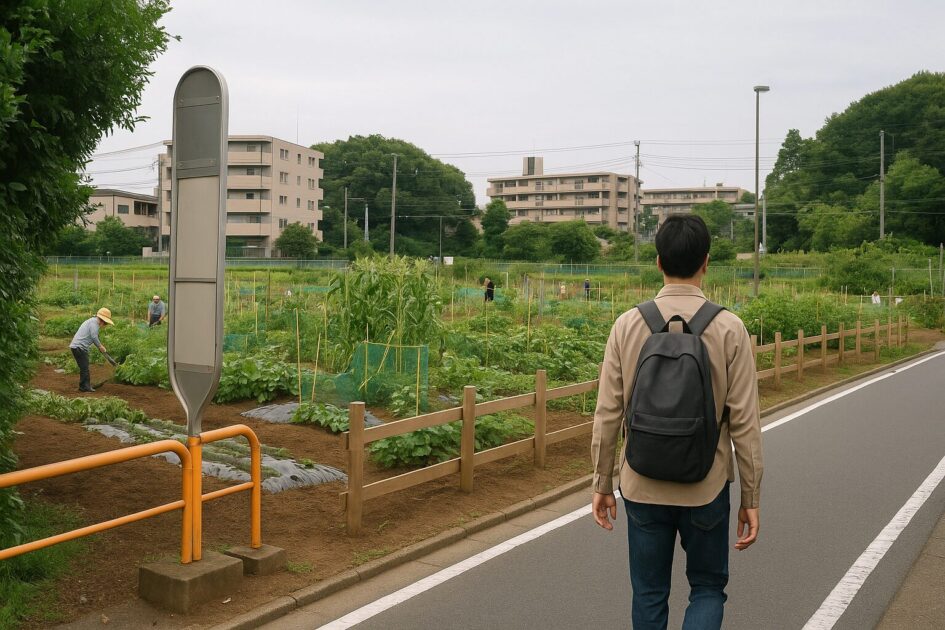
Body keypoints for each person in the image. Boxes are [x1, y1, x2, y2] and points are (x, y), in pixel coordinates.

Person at [591, 214, 763, 629]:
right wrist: (751, 498)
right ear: (706, 262)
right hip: (705, 487)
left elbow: (608, 414)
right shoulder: (730, 328)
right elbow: (745, 424)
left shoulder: (627, 324)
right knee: (706, 587)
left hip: (642, 484)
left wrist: (601, 483)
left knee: (649, 592)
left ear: (657, 262)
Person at [69, 307, 114, 393]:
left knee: (84, 367)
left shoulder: (92, 321)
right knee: (85, 367)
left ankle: (84, 386)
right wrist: (100, 346)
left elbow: (93, 337)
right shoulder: (94, 324)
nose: (105, 325)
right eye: (105, 323)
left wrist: (99, 345)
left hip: (77, 347)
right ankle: (85, 387)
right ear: (102, 320)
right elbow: (94, 337)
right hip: (79, 347)